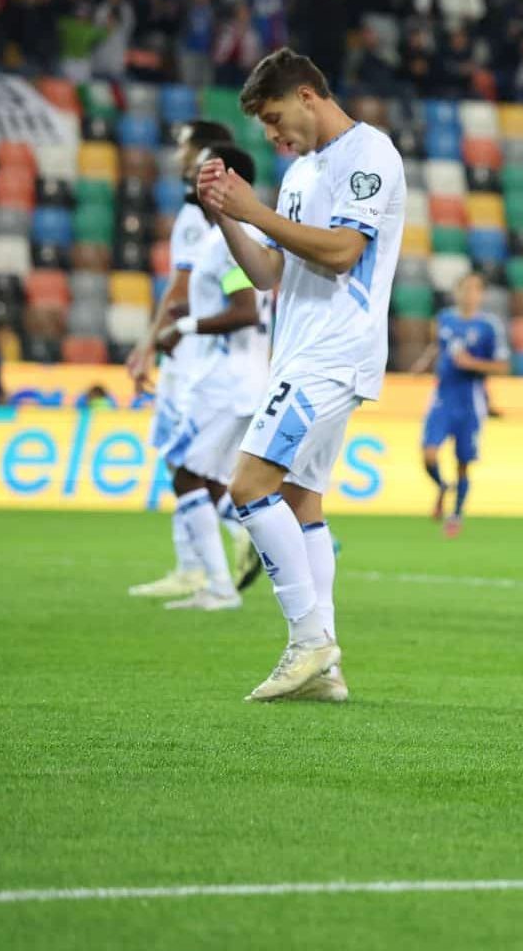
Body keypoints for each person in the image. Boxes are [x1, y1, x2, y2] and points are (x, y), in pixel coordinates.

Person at [197, 47, 407, 703]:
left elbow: (345, 253)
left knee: (249, 485)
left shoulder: (368, 155)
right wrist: (230, 217)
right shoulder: (299, 175)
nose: (272, 134)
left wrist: (254, 211)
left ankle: (310, 642)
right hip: (300, 351)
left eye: (274, 116)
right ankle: (327, 671)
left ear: (309, 95)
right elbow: (269, 276)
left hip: (332, 353)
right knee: (297, 500)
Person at [127, 119, 250, 599]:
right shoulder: (233, 230)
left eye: (188, 152)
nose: (183, 163)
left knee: (182, 461)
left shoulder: (207, 227)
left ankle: (214, 562)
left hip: (203, 365)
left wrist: (156, 339)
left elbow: (185, 290)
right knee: (200, 467)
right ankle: (207, 562)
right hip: (217, 363)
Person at [150, 143, 270, 613]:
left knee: (183, 472)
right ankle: (240, 549)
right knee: (210, 480)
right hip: (237, 378)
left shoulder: (227, 242)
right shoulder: (223, 239)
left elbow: (243, 311)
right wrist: (188, 311)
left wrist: (183, 326)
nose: (194, 180)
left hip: (225, 380)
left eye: (205, 173)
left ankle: (221, 585)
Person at [412, 272, 508, 539]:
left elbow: (502, 366)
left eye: (474, 290)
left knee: (463, 462)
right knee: (428, 454)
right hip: (443, 398)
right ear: (457, 292)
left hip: (470, 401)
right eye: (464, 289)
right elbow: (437, 347)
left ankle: (455, 515)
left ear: (481, 295)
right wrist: (424, 363)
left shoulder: (489, 327)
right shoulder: (444, 320)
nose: (469, 294)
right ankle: (443, 486)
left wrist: (473, 364)